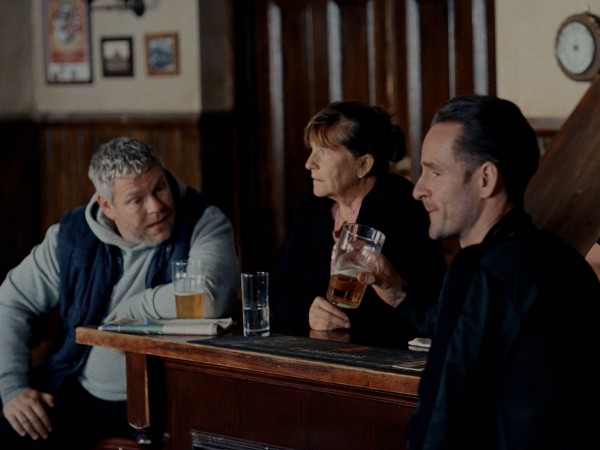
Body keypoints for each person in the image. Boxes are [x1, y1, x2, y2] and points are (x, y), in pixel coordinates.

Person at [360, 94, 600, 449]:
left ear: (486, 179)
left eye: (435, 172)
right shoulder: (562, 257)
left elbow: (442, 418)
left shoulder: (479, 269)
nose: (418, 190)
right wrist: (400, 295)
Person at [0, 137, 240, 449]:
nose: (156, 206)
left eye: (159, 188)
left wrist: (135, 307)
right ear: (107, 205)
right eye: (136, 200)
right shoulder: (71, 236)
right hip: (76, 388)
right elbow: (11, 301)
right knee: (12, 427)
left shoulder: (203, 220)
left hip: (171, 399)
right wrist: (12, 388)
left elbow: (208, 299)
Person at [271, 100, 446, 347]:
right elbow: (280, 289)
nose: (310, 163)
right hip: (325, 349)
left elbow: (415, 310)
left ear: (363, 164)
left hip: (386, 355)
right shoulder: (316, 206)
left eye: (323, 152)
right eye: (312, 150)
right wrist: (306, 310)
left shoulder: (401, 207)